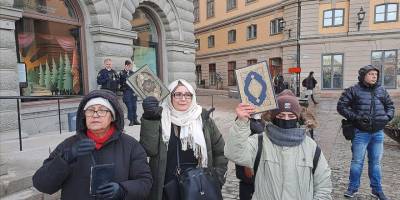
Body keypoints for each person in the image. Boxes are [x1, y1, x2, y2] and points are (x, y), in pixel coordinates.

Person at [32, 89, 153, 200]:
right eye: (90, 110)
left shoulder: (130, 145)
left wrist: (122, 190)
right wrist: (64, 159)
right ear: (84, 116)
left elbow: (145, 183)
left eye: (102, 110)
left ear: (112, 117)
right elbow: (42, 184)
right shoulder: (68, 145)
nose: (95, 115)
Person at [225, 89, 332, 200]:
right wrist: (242, 122)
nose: (286, 119)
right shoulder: (259, 142)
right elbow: (234, 153)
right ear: (273, 117)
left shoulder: (311, 147)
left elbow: (323, 186)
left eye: (291, 116)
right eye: (281, 115)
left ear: (298, 118)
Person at [139, 79, 228, 200]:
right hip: (167, 188)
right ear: (170, 96)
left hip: (199, 186)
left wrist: (218, 177)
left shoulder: (204, 120)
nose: (183, 98)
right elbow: (149, 150)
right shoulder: (159, 118)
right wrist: (149, 119)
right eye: (178, 94)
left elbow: (221, 151)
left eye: (188, 95)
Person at [337, 65, 394, 200]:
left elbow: (390, 106)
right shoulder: (353, 90)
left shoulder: (382, 90)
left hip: (378, 133)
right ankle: (352, 188)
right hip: (360, 133)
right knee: (357, 162)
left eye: (376, 74)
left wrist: (386, 117)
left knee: (375, 163)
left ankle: (377, 190)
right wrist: (356, 117)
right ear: (363, 76)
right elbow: (341, 106)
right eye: (371, 74)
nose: (374, 76)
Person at [235, 114, 265, 200]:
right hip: (247, 165)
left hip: (260, 162)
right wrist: (247, 164)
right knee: (248, 186)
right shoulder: (244, 119)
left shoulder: (262, 120)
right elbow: (239, 142)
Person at [119, 60, 140, 126]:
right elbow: (120, 82)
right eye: (130, 66)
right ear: (126, 66)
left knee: (134, 106)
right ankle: (131, 120)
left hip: (133, 91)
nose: (131, 67)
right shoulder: (121, 73)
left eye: (131, 66)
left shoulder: (132, 72)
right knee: (129, 107)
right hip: (127, 92)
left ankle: (135, 120)